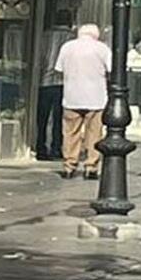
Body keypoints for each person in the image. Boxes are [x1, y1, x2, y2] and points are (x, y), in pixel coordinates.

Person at [56, 22, 112, 179]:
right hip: (96, 98)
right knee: (94, 134)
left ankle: (69, 165)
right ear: (96, 35)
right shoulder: (102, 49)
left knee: (70, 133)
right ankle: (91, 166)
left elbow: (59, 69)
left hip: (71, 96)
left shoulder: (67, 47)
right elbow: (111, 70)